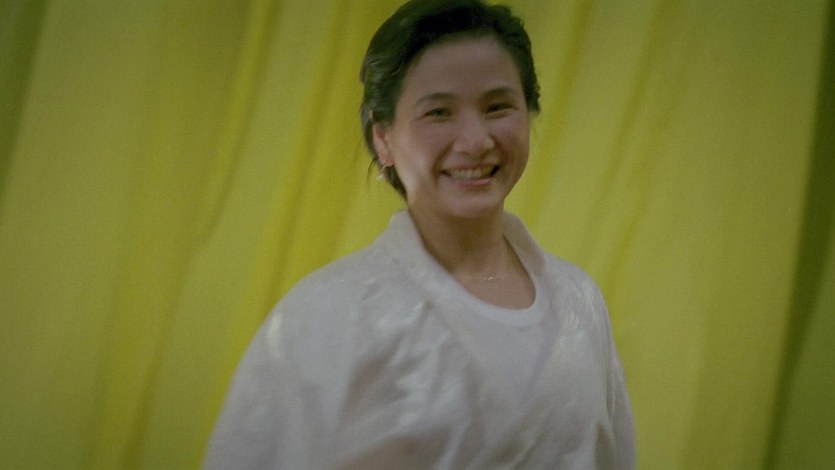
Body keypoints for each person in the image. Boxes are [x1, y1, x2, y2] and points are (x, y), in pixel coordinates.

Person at [204, 0, 635, 468]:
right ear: (383, 138)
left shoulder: (579, 303)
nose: (475, 141)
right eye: (439, 113)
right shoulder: (324, 315)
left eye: (498, 107)